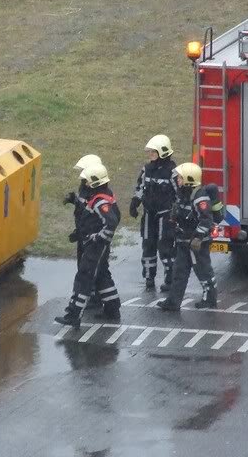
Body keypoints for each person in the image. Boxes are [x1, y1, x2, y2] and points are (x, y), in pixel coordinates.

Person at [55, 163, 121, 330]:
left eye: (87, 182)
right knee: (101, 275)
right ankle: (113, 308)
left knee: (84, 277)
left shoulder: (99, 202)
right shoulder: (100, 196)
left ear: (94, 183)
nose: (85, 184)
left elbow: (111, 222)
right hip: (95, 245)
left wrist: (97, 238)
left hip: (95, 247)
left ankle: (74, 314)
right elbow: (89, 218)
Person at [156, 163, 221, 311]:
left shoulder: (199, 198)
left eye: (180, 177)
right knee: (179, 272)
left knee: (204, 271)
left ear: (188, 179)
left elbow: (206, 220)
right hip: (184, 242)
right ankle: (173, 302)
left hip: (197, 244)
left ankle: (210, 299)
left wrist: (198, 237)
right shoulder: (183, 194)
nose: (178, 179)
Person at [129, 135, 178, 292]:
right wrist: (135, 203)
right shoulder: (147, 169)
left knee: (165, 247)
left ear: (163, 152)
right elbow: (140, 187)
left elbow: (179, 194)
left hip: (166, 215)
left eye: (153, 152)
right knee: (148, 245)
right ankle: (149, 278)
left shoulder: (172, 172)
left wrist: (177, 213)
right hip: (149, 213)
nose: (150, 155)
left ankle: (170, 278)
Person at [63, 154, 103, 308]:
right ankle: (90, 295)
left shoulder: (96, 192)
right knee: (83, 265)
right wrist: (73, 199)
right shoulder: (85, 187)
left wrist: (83, 233)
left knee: (91, 268)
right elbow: (82, 208)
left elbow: (92, 218)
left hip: (91, 237)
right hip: (83, 234)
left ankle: (94, 296)